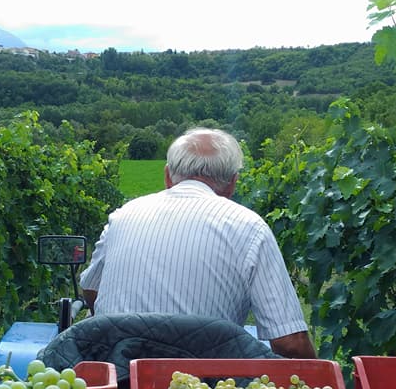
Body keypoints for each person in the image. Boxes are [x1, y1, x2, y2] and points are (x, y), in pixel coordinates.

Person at [79, 127, 317, 359]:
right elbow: (290, 344)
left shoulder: (123, 215)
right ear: (232, 183)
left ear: (167, 176)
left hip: (116, 381)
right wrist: (325, 388)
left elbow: (91, 289)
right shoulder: (250, 227)